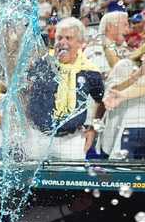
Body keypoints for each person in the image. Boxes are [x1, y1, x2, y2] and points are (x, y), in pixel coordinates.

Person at [25, 17, 105, 161]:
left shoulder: (90, 71)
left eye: (68, 38)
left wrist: (93, 129)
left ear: (80, 43)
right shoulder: (42, 64)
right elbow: (24, 92)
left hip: (72, 141)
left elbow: (102, 101)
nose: (62, 42)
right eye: (59, 38)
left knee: (71, 175)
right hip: (38, 137)